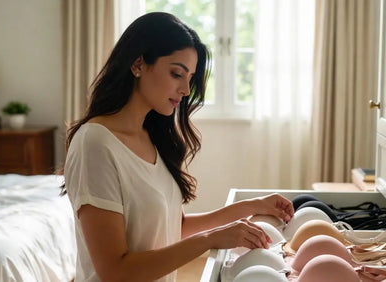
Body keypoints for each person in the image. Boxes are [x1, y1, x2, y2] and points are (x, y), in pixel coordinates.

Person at [61, 12, 294, 282]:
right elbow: (115, 270)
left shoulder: (151, 137)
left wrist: (252, 206)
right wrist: (210, 239)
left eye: (190, 78)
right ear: (138, 63)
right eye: (176, 74)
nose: (185, 89)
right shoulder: (95, 143)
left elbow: (174, 227)